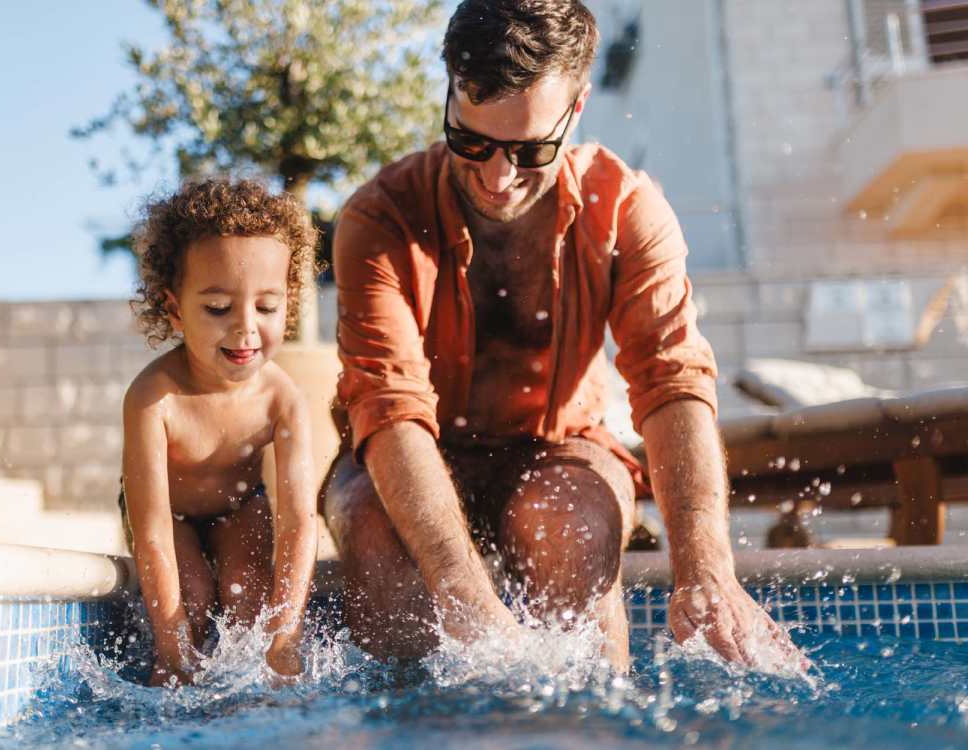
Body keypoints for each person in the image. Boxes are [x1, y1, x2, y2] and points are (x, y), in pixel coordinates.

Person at [323, 0, 807, 671]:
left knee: (571, 522)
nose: (497, 178)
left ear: (576, 108)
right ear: (449, 95)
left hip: (557, 449)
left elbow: (672, 384)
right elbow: (389, 405)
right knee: (373, 525)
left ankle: (592, 720)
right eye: (472, 142)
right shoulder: (379, 219)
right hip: (417, 452)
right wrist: (468, 598)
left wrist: (705, 570)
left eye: (529, 151)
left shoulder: (627, 211)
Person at [121, 178, 320, 686]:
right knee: (189, 596)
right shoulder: (153, 399)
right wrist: (172, 648)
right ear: (174, 309)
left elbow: (299, 522)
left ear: (289, 304)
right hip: (173, 517)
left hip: (240, 506)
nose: (245, 327)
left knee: (246, 593)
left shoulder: (283, 400)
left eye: (267, 307)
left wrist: (286, 634)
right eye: (217, 308)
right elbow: (153, 531)